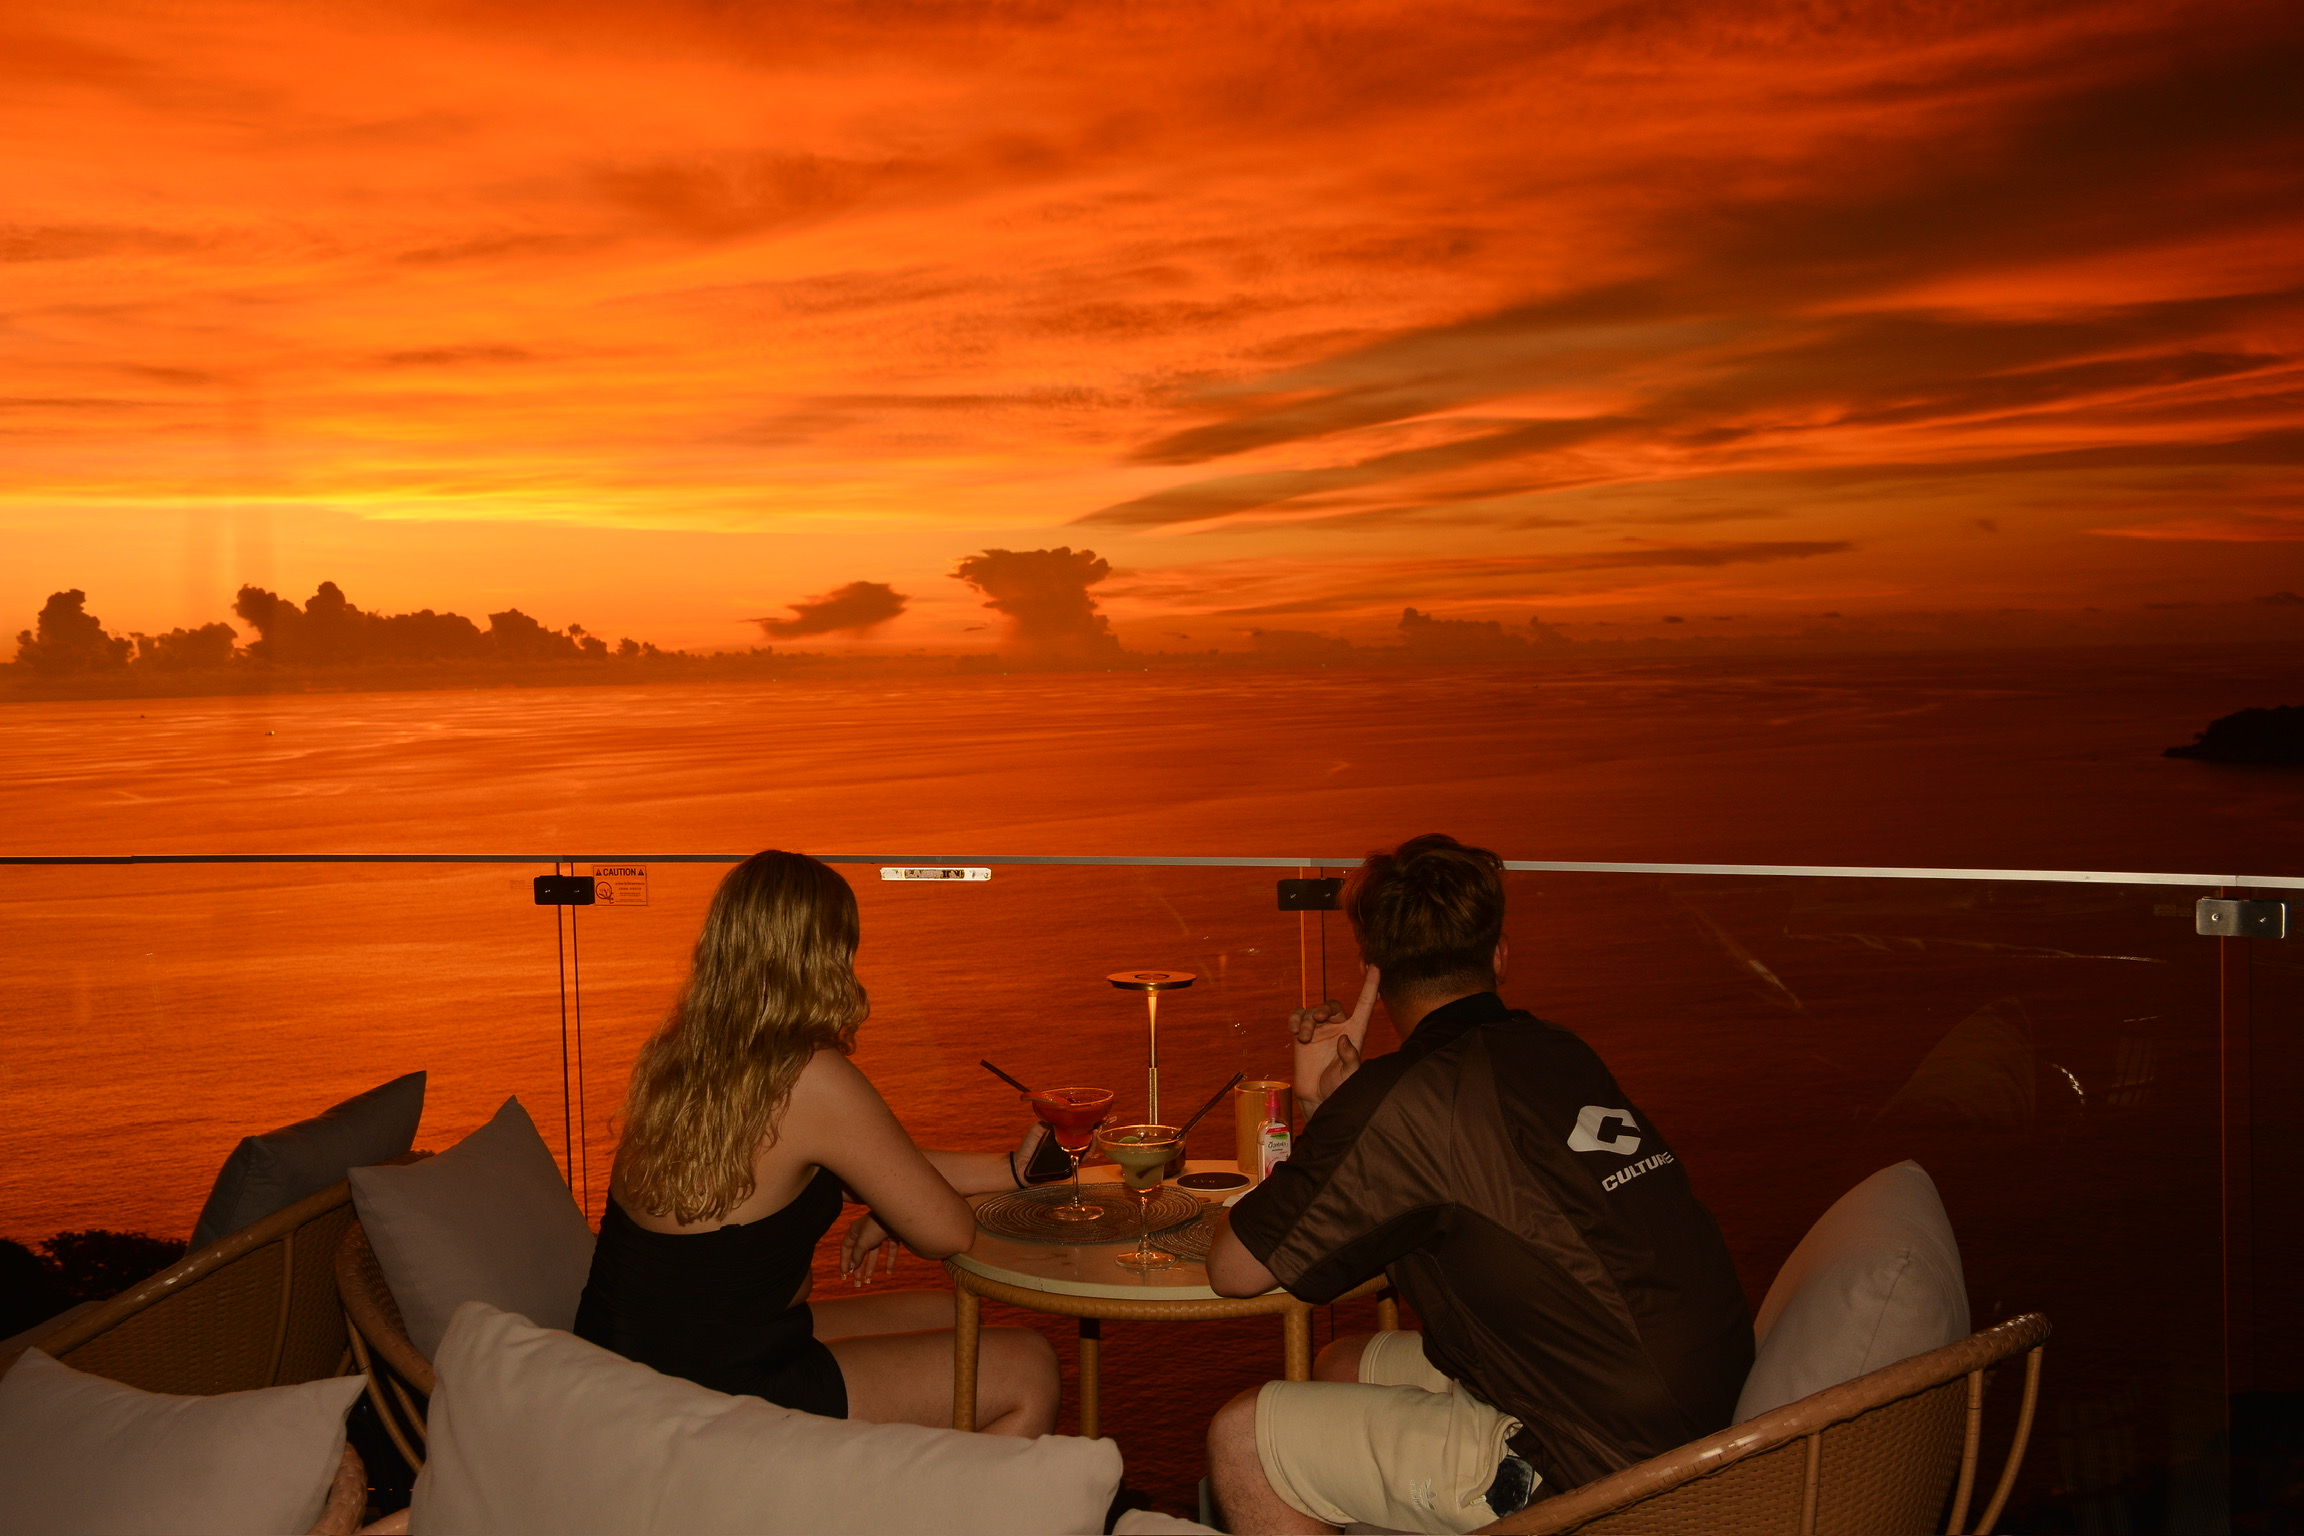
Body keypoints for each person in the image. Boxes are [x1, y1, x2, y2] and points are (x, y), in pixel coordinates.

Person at [1204, 834, 1753, 1534]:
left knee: (1244, 1437)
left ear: (1372, 967)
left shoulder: (1406, 1102)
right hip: (1697, 1403)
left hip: (1602, 1462)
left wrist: (1338, 1111)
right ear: (1498, 957)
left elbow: (1236, 1268)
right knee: (1342, 1363)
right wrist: (1339, 1112)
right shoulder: (1558, 1051)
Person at [574, 849, 1060, 1435]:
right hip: (713, 1384)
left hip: (630, 1354)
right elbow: (946, 1233)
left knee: (949, 1313)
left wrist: (1008, 1170)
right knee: (1029, 1368)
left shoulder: (682, 1058)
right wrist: (898, 1208)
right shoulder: (806, 1074)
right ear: (828, 954)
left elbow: (870, 1166)